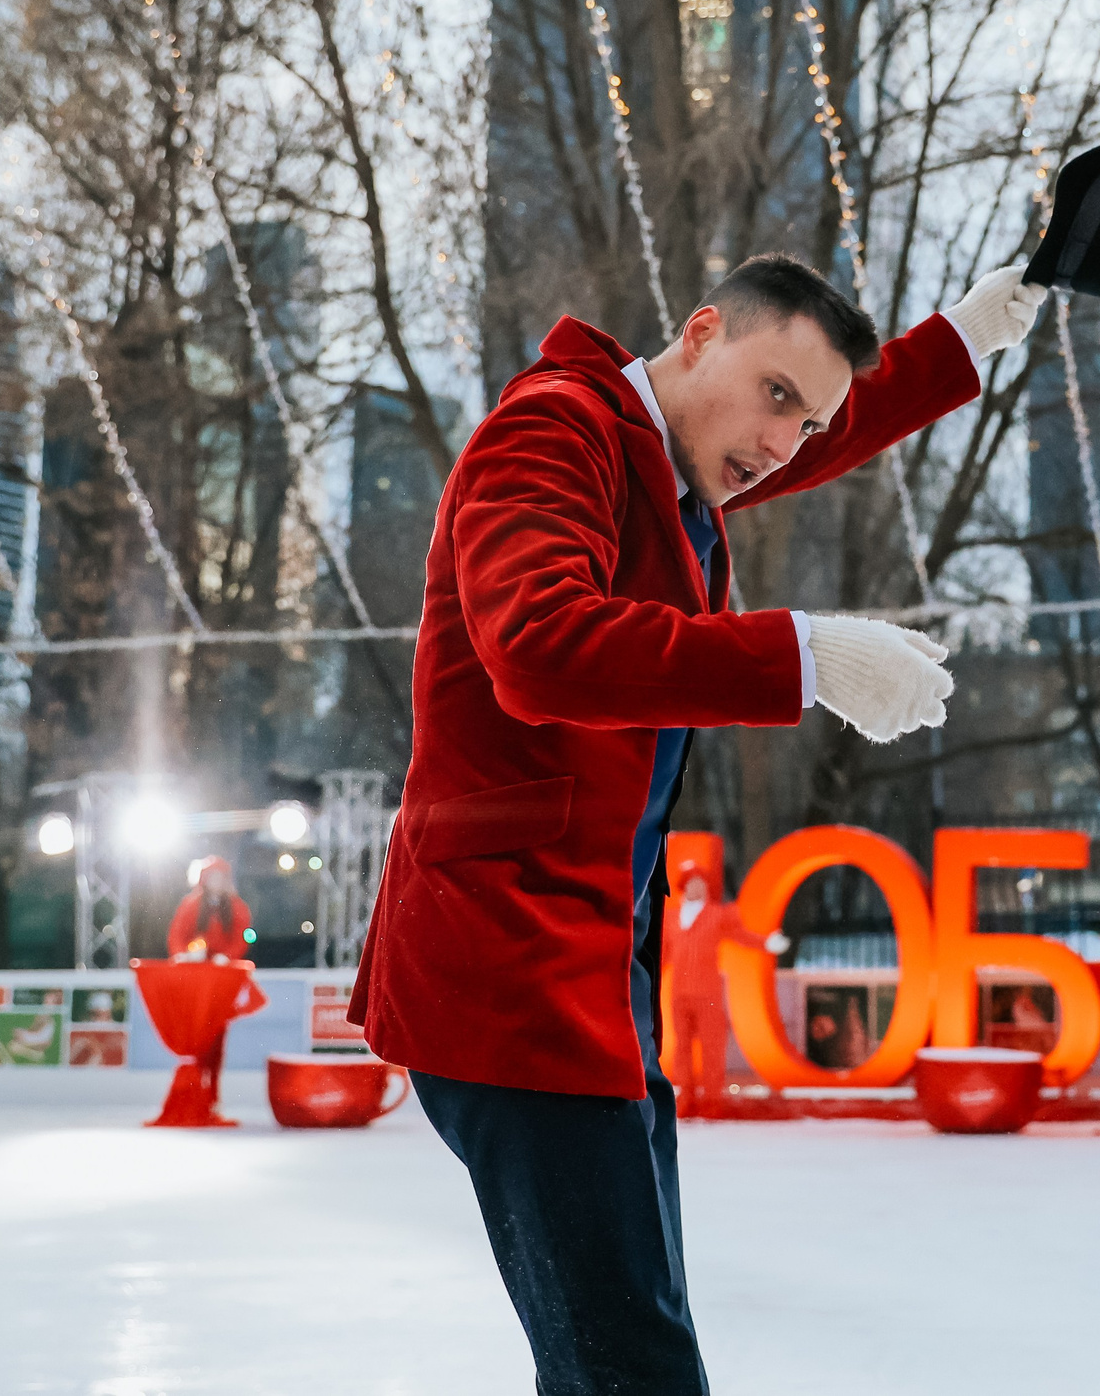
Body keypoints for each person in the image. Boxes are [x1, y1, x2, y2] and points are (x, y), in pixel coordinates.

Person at [352, 254, 1049, 1393]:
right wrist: (804, 653)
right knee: (632, 1366)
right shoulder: (553, 435)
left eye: (808, 420)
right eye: (776, 395)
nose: (789, 443)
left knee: (620, 1353)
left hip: (590, 982)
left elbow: (829, 414)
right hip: (505, 975)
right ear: (700, 333)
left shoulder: (670, 472)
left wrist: (972, 332)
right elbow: (536, 646)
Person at [660, 872, 777, 1119]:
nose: (697, 889)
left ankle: (712, 1101)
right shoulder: (671, 917)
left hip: (707, 993)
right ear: (683, 887)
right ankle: (686, 1099)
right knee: (682, 1049)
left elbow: (741, 936)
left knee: (712, 1048)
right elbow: (662, 955)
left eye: (702, 885)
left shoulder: (717, 915)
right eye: (693, 884)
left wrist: (766, 943)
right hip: (679, 994)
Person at [167, 855, 253, 964]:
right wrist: (180, 953)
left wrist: (228, 956)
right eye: (213, 876)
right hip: (193, 962)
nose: (217, 881)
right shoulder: (191, 904)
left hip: (224, 965)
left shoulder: (237, 906)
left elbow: (241, 937)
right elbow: (177, 933)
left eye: (220, 877)